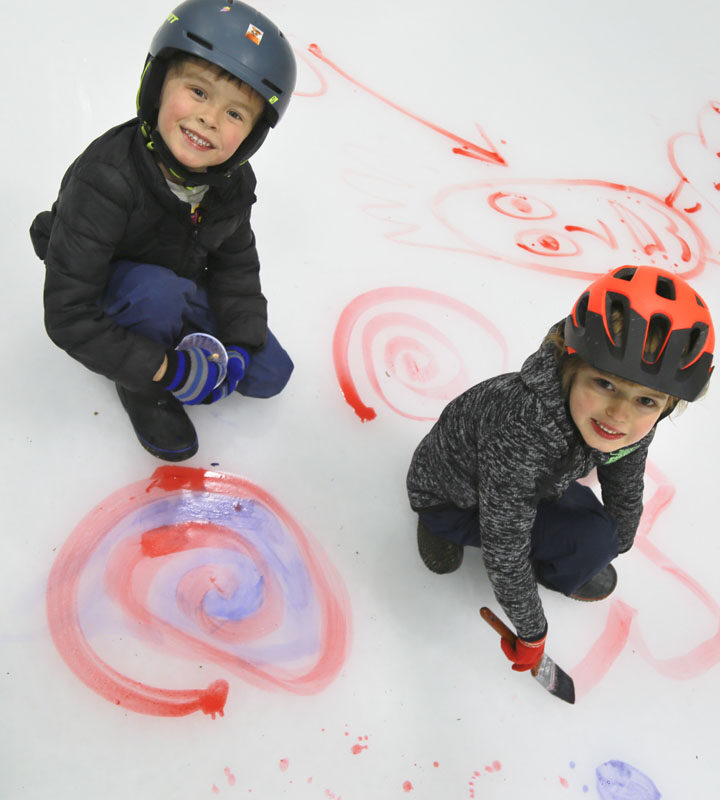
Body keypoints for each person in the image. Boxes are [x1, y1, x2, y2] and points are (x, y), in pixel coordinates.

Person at [406, 265, 714, 673]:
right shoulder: (523, 428)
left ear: (666, 405)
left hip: (535, 478)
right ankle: (438, 524)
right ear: (570, 364)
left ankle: (562, 560)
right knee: (572, 541)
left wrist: (619, 539)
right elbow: (505, 544)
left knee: (599, 539)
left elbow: (625, 472)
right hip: (453, 495)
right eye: (604, 384)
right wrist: (532, 631)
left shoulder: (632, 424)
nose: (619, 414)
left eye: (646, 402)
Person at [29, 0, 297, 461]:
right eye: (198, 92)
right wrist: (165, 369)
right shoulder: (107, 178)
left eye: (236, 114)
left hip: (177, 278)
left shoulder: (231, 184)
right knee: (158, 295)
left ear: (252, 134)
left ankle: (182, 336)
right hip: (118, 287)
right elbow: (68, 315)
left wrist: (238, 345)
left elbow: (236, 266)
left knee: (268, 371)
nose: (210, 119)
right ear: (157, 85)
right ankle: (139, 387)